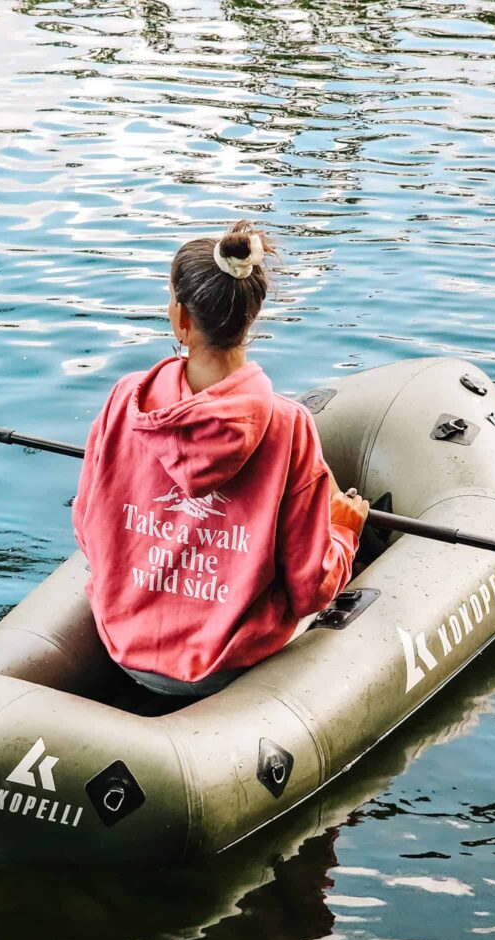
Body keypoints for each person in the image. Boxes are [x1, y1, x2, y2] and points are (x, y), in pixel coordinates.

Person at [72, 220, 369, 698]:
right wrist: (343, 531)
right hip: (228, 666)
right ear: (252, 315)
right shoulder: (288, 426)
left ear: (181, 317)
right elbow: (312, 588)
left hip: (124, 649)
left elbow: (89, 531)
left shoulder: (125, 400)